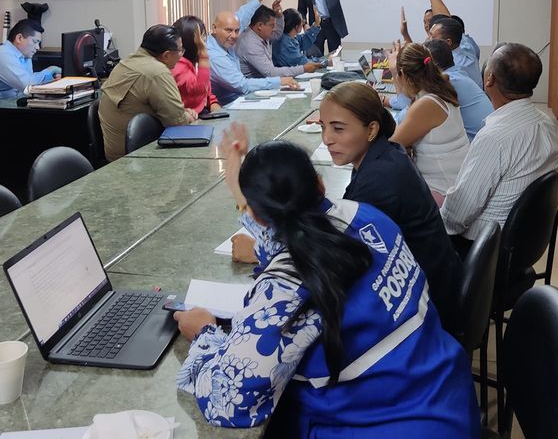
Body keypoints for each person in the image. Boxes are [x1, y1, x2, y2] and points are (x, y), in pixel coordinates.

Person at [175, 125, 478, 436]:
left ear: (258, 217)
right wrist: (241, 191)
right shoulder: (366, 216)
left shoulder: (286, 290)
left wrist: (204, 334)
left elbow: (229, 401)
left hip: (386, 426)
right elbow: (295, 236)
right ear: (319, 184)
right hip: (449, 398)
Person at [320, 82, 463, 334]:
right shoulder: (385, 153)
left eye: (338, 128)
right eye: (323, 127)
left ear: (371, 129)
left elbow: (338, 258)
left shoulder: (379, 179)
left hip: (426, 308)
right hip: (435, 280)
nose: (326, 139)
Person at [441, 43, 558, 256]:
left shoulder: (495, 137)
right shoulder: (545, 123)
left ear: (489, 79)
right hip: (522, 242)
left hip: (482, 249)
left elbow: (457, 216)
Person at [98, 24, 196, 161]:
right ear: (166, 55)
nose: (181, 55)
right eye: (180, 50)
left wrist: (182, 113)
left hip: (116, 154)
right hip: (135, 158)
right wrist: (187, 116)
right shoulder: (157, 72)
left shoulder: (128, 61)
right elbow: (178, 124)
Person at [388, 42, 469, 199]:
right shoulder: (440, 90)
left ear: (403, 75)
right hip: (455, 185)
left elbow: (391, 146)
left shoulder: (427, 104)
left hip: (444, 194)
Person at [208, 0, 299, 105]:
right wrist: (279, 81)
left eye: (237, 31)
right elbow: (242, 85)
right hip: (228, 106)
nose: (234, 35)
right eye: (228, 30)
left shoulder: (224, 38)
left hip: (241, 99)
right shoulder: (214, 56)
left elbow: (242, 16)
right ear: (214, 28)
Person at [418, 0, 484, 88]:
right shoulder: (465, 46)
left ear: (448, 42)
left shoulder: (452, 66)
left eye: (432, 37)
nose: (428, 40)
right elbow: (445, 19)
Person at [237, 2, 323, 78]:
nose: (274, 29)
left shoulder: (263, 34)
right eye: (272, 25)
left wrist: (279, 16)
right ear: (260, 25)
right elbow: (270, 72)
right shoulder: (250, 44)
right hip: (255, 85)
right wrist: (303, 68)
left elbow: (278, 33)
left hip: (265, 80)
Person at [171, 16, 221, 115]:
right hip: (188, 117)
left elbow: (207, 92)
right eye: (202, 36)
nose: (204, 41)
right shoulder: (178, 65)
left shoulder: (195, 61)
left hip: (202, 111)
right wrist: (203, 53)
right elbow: (200, 90)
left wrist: (213, 102)